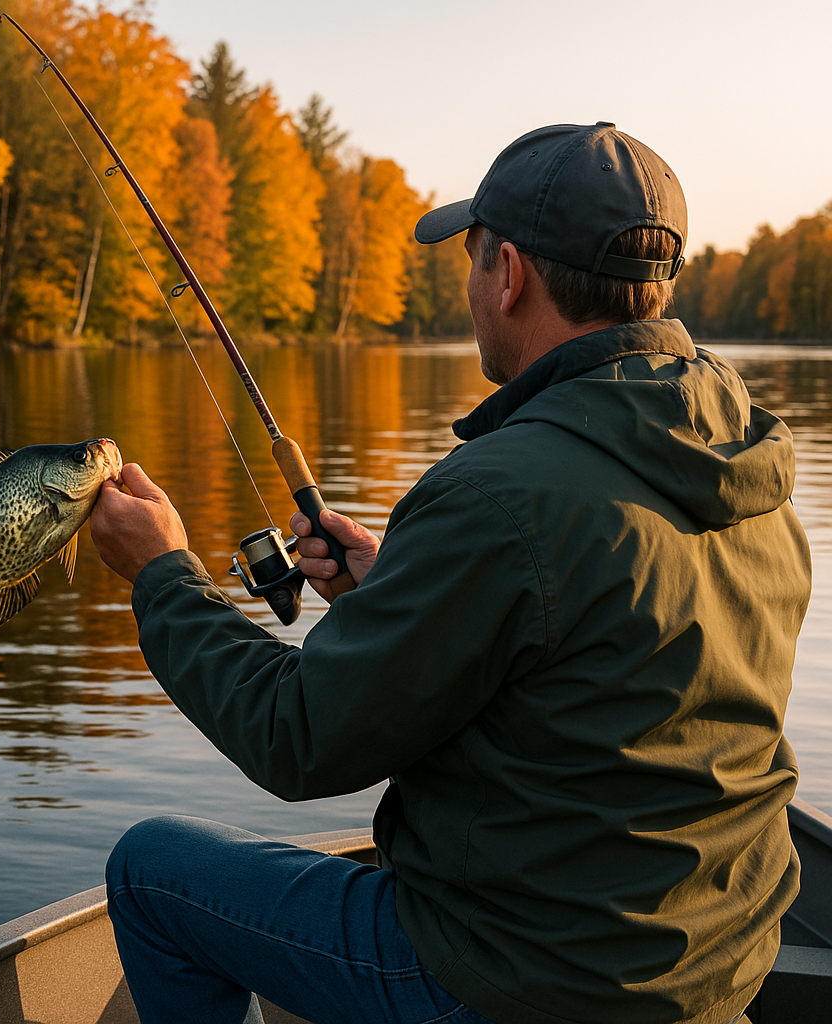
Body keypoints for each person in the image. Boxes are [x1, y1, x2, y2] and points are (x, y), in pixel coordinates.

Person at [89, 122, 811, 1024]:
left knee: (153, 869)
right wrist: (400, 586)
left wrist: (160, 573)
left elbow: (297, 740)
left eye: (472, 260)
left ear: (507, 273)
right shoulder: (755, 468)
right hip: (709, 970)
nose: (471, 288)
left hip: (521, 986)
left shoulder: (499, 493)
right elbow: (603, 659)